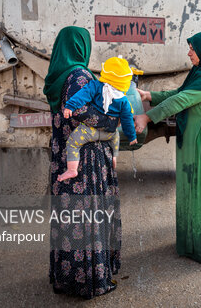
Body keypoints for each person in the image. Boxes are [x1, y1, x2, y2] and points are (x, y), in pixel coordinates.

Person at [134, 31, 201, 263]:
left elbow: (181, 101)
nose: (189, 52)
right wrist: (150, 94)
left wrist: (147, 118)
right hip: (198, 140)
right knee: (197, 189)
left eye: (193, 48)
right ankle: (195, 240)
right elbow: (179, 93)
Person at [43, 26, 120, 298]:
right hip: (85, 158)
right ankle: (88, 279)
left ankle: (68, 276)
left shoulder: (57, 75)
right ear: (80, 47)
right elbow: (81, 111)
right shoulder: (80, 75)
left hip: (63, 153)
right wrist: (111, 122)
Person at [58, 56, 139, 182]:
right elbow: (127, 121)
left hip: (90, 131)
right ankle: (114, 158)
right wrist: (132, 136)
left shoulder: (96, 86)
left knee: (73, 142)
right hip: (109, 134)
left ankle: (72, 170)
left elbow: (82, 95)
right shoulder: (124, 101)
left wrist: (70, 106)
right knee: (116, 138)